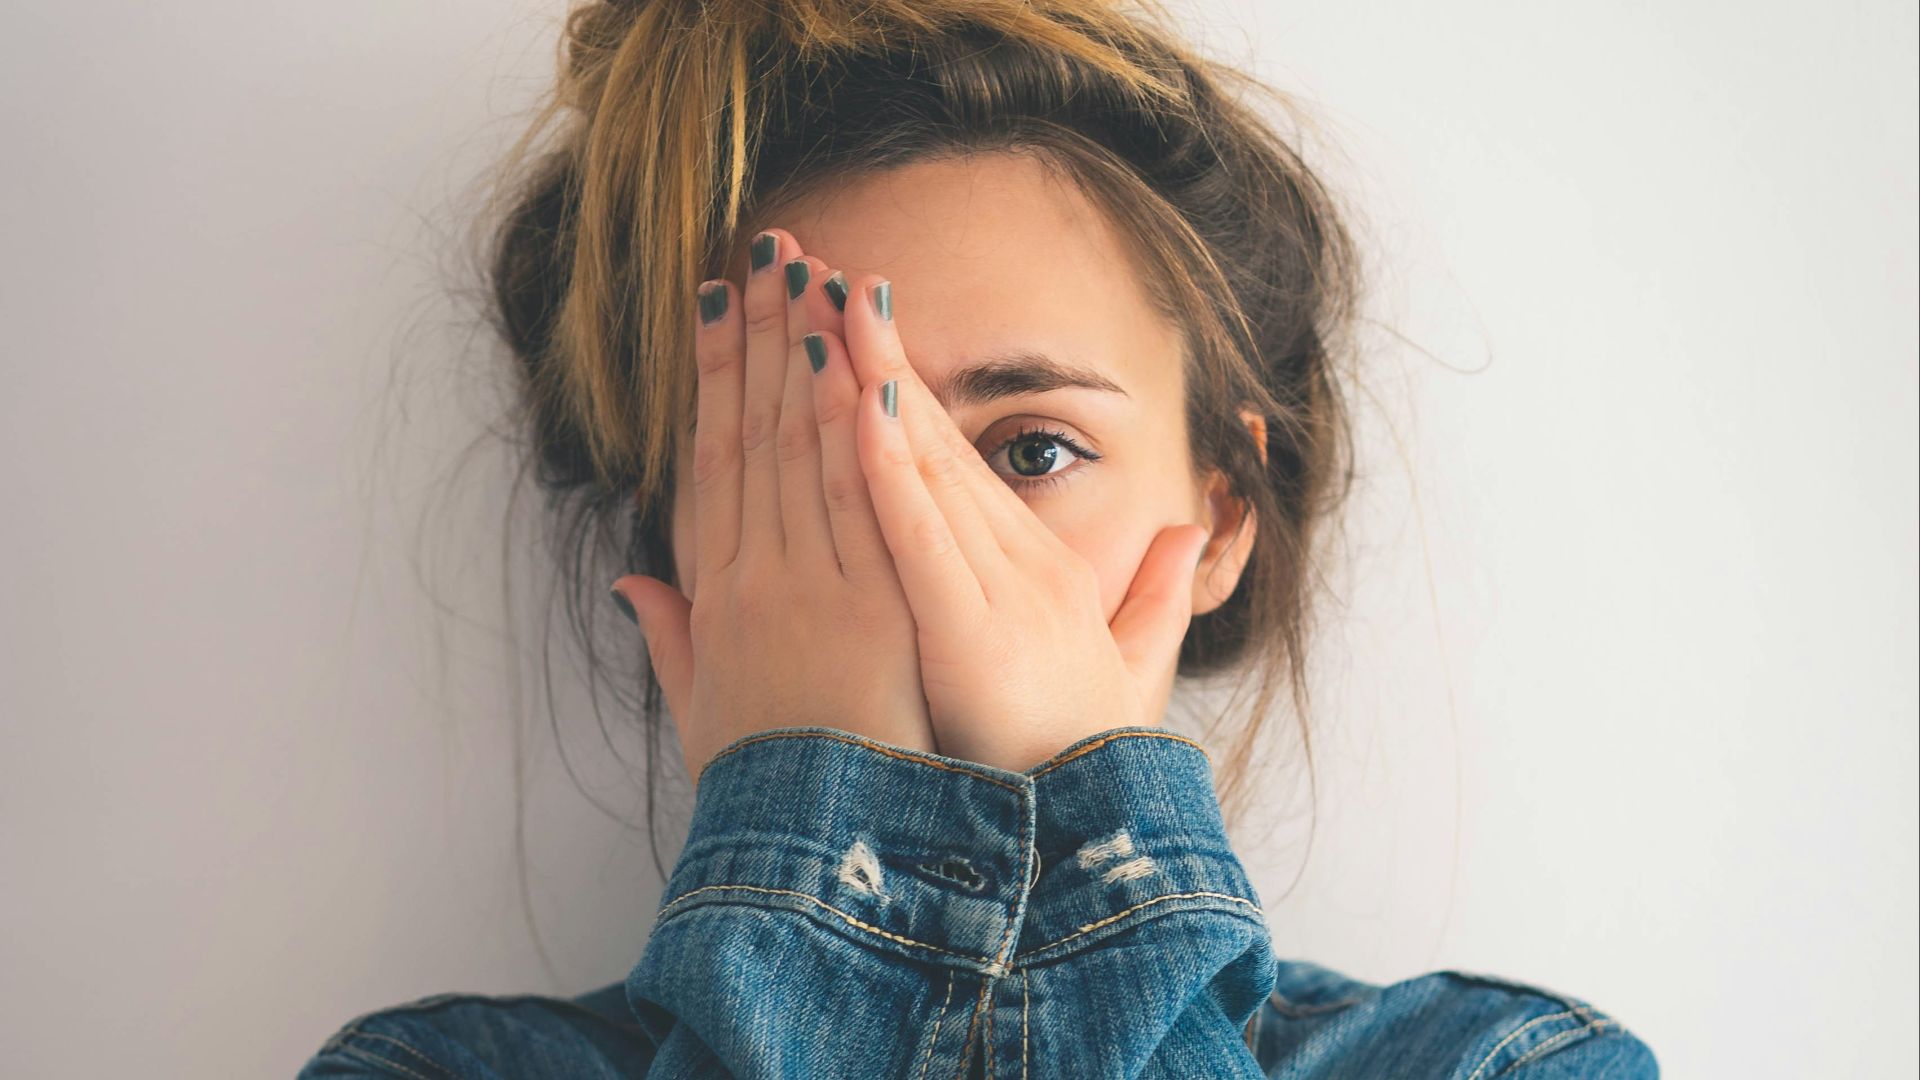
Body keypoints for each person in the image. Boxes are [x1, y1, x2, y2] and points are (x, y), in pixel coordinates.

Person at [301, 0, 1659, 1075]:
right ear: (673, 561)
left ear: (1223, 514)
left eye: (1032, 450)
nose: (921, 545)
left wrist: (990, 819)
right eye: (817, 462)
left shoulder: (1510, 1069)